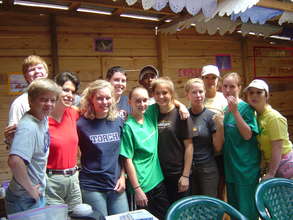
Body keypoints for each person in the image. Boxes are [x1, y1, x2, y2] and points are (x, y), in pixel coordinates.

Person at [5, 78, 61, 215]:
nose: (49, 104)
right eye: (43, 99)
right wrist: (31, 190)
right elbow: (15, 161)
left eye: (52, 100)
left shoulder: (42, 118)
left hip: (33, 194)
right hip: (24, 198)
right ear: (31, 100)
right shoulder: (29, 127)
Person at [77, 80, 129, 219]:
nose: (104, 102)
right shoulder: (81, 124)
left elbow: (122, 153)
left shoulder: (118, 121)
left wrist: (123, 177)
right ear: (91, 100)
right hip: (92, 186)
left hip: (116, 184)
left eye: (107, 98)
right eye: (99, 98)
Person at [120, 86, 170, 220]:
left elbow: (170, 100)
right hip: (141, 185)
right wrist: (137, 189)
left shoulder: (151, 113)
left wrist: (182, 107)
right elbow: (127, 160)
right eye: (137, 101)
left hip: (158, 181)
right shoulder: (128, 127)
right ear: (129, 102)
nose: (142, 104)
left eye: (144, 100)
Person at [221, 72, 261, 220]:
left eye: (232, 86)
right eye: (225, 86)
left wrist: (236, 112)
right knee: (235, 210)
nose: (228, 90)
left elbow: (247, 135)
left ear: (239, 88)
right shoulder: (226, 110)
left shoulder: (246, 108)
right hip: (231, 167)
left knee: (247, 210)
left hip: (246, 169)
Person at [151, 77, 194, 204]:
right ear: (153, 95)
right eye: (157, 93)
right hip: (158, 174)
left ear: (172, 94)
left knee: (180, 212)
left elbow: (189, 147)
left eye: (165, 92)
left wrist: (185, 175)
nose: (161, 96)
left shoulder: (182, 115)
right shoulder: (152, 112)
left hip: (178, 174)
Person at [45, 72, 82, 211]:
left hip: (73, 179)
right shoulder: (43, 119)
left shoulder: (73, 113)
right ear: (55, 90)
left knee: (79, 216)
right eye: (65, 90)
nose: (70, 95)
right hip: (51, 181)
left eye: (72, 92)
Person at [245, 79, 293, 179]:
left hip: (286, 164)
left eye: (259, 92)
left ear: (266, 96)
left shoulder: (274, 118)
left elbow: (277, 148)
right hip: (273, 163)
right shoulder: (257, 116)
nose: (254, 95)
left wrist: (271, 173)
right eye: (251, 93)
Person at [184, 78, 224, 198]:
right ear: (187, 95)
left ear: (205, 93)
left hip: (207, 169)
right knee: (193, 206)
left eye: (201, 92)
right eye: (194, 92)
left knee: (209, 205)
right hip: (188, 169)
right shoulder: (184, 115)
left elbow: (217, 147)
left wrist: (220, 126)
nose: (198, 95)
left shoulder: (211, 117)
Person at [201, 64, 227, 200]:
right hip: (205, 153)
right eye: (207, 77)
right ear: (202, 79)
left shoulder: (224, 99)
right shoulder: (199, 97)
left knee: (221, 189)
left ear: (218, 80)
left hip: (222, 153)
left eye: (213, 78)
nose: (210, 81)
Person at [8, 55, 49, 126]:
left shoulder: (57, 100)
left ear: (46, 73)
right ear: (26, 76)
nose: (37, 71)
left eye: (40, 68)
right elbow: (14, 133)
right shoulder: (20, 103)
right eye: (32, 69)